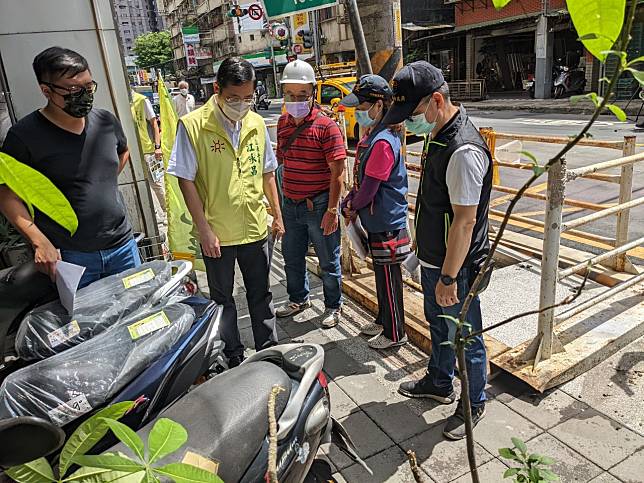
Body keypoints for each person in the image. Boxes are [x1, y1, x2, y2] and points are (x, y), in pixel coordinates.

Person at [384, 61, 492, 440]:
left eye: (412, 114)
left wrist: (448, 276)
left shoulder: (463, 149)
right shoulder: (439, 133)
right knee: (438, 325)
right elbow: (435, 205)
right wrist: (421, 251)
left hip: (457, 268)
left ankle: (473, 401)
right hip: (435, 259)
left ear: (436, 100)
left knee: (465, 335)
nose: (409, 124)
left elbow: (464, 222)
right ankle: (440, 381)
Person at [167, 57, 283, 368]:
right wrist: (203, 229)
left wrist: (277, 214)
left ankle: (268, 352)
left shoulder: (256, 123)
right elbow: (184, 178)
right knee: (223, 299)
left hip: (256, 227)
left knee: (262, 295)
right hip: (217, 232)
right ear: (217, 89)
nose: (242, 105)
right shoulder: (193, 125)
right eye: (234, 98)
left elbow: (268, 171)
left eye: (248, 97)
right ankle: (233, 354)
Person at [0, 46, 140, 288]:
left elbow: (123, 151)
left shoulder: (106, 121)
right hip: (72, 257)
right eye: (74, 89)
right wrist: (38, 241)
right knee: (86, 323)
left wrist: (100, 185)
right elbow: (6, 195)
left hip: (123, 247)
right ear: (46, 90)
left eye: (88, 86)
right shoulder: (24, 136)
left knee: (137, 316)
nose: (84, 95)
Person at [274, 60, 346, 329]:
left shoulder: (327, 127)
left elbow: (337, 174)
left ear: (313, 93)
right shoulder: (282, 123)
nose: (295, 101)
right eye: (290, 95)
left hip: (318, 205)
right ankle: (298, 299)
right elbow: (282, 161)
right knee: (291, 257)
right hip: (290, 205)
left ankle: (333, 306)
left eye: (301, 96)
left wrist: (331, 210)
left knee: (328, 261)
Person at [340, 74, 410, 350]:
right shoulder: (374, 136)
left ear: (379, 106)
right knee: (382, 275)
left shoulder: (382, 142)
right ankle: (384, 320)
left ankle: (395, 333)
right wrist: (351, 202)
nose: (357, 112)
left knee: (390, 280)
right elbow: (362, 184)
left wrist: (351, 206)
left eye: (362, 106)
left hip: (386, 221)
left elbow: (369, 188)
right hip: (376, 219)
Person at [131, 89, 166, 222]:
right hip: (130, 150)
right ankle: (154, 214)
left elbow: (154, 124)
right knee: (139, 184)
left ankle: (167, 212)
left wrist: (157, 146)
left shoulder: (141, 100)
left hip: (147, 150)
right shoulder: (121, 102)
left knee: (156, 183)